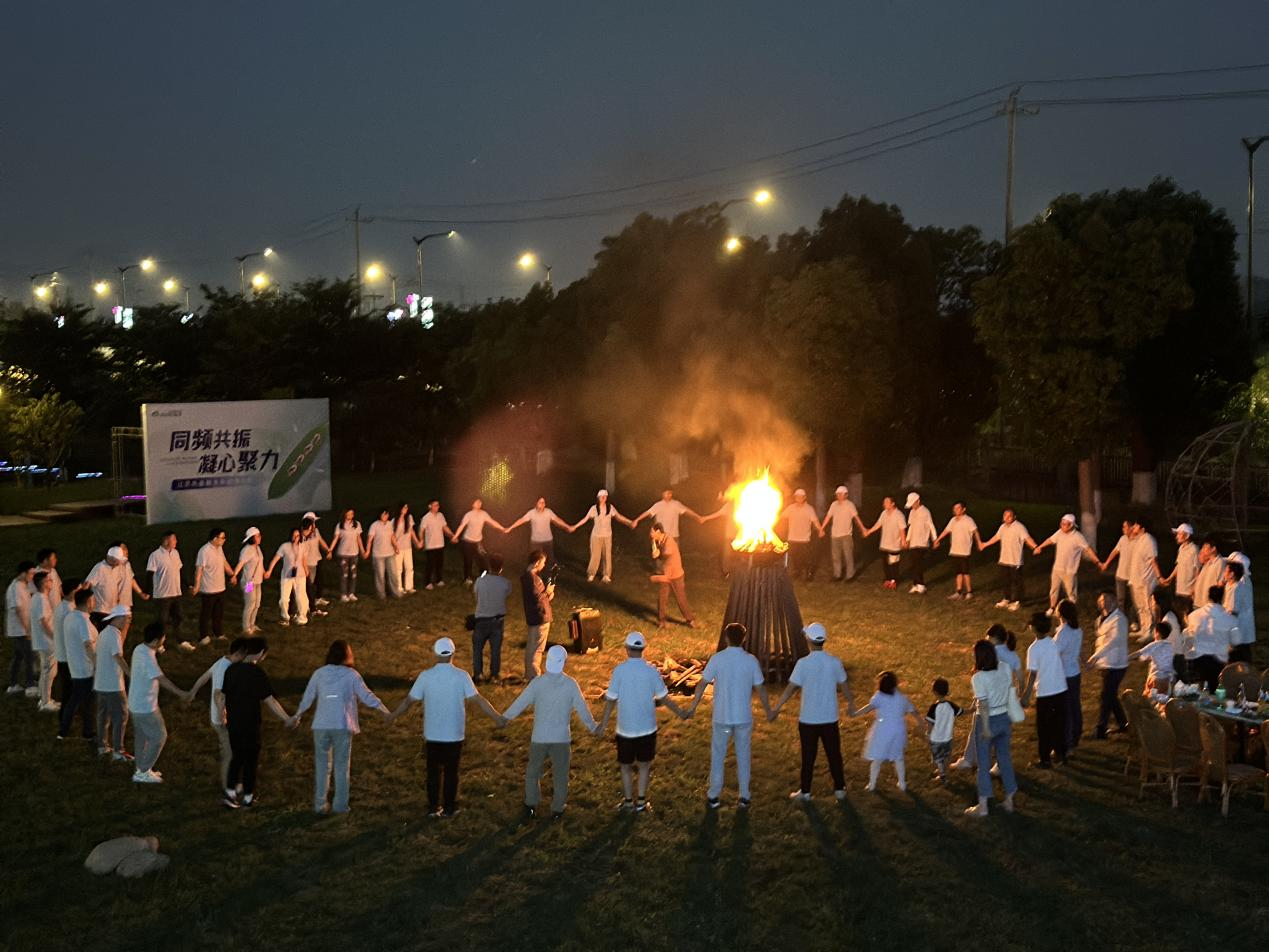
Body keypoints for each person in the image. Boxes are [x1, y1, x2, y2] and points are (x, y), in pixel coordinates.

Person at [388, 637, 504, 818]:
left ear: (435, 653)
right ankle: (450, 807)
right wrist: (497, 717)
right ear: (453, 653)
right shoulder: (462, 676)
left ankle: (433, 807)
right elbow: (478, 700)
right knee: (452, 772)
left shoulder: (425, 676)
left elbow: (409, 701)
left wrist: (393, 715)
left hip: (433, 734)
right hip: (454, 735)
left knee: (433, 772)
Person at [291, 639, 391, 815]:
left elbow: (308, 697)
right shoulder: (351, 675)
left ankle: (320, 804)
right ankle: (340, 806)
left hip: (321, 726)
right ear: (346, 656)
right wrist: (384, 710)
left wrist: (297, 715)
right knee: (342, 766)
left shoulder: (319, 673)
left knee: (322, 766)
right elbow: (366, 696)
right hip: (342, 725)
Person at [595, 631, 687, 813]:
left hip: (625, 729)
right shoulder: (651, 671)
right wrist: (680, 712)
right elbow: (664, 698)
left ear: (627, 649)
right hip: (647, 729)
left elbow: (611, 699)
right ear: (643, 649)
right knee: (644, 765)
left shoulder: (619, 671)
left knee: (626, 766)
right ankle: (642, 802)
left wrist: (603, 723)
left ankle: (629, 802)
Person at [503, 645, 597, 820]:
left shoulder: (538, 683)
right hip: (561, 739)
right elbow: (582, 709)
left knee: (533, 772)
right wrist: (593, 727)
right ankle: (558, 808)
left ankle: (531, 803)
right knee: (560, 775)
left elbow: (521, 702)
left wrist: (506, 717)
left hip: (539, 737)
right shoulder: (570, 684)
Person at [687, 622, 772, 809]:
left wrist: (693, 706)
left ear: (726, 638)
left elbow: (702, 684)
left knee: (718, 756)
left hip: (722, 716)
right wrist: (768, 710)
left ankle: (714, 796)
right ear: (744, 638)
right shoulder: (751, 661)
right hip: (743, 717)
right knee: (743, 755)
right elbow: (760, 688)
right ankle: (744, 796)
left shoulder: (717, 659)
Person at [771, 622, 853, 801]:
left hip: (808, 719)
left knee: (808, 756)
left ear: (808, 640)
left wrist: (777, 707)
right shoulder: (834, 662)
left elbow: (791, 688)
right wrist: (851, 705)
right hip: (829, 717)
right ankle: (839, 789)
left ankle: (806, 791)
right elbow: (844, 686)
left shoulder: (803, 664)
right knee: (834, 754)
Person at [219, 637, 291, 808]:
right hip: (250, 724)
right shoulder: (257, 674)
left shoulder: (231, 671)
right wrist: (287, 718)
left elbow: (223, 696)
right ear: (260, 653)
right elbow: (270, 700)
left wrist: (222, 715)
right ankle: (248, 797)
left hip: (234, 723)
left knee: (237, 757)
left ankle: (230, 792)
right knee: (251, 760)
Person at [128, 622, 189, 784]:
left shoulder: (139, 649)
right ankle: (142, 771)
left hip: (135, 703)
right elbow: (162, 679)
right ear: (157, 640)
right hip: (146, 706)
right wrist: (182, 693)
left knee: (142, 737)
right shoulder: (148, 657)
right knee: (159, 736)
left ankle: (141, 768)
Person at [186, 637, 248, 792]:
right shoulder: (225, 668)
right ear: (239, 654)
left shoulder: (221, 661)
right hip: (222, 720)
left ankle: (235, 783)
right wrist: (223, 716)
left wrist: (193, 691)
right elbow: (217, 694)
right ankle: (229, 786)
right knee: (229, 753)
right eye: (243, 656)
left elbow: (204, 676)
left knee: (234, 750)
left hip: (220, 718)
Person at [965, 639, 1018, 817]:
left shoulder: (978, 677)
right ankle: (1010, 800)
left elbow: (984, 704)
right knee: (1004, 760)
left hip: (988, 721)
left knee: (983, 764)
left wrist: (986, 728)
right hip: (1004, 718)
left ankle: (983, 806)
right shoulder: (1004, 667)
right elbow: (1011, 689)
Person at [853, 670, 923, 792]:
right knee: (898, 757)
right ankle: (902, 783)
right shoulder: (902, 698)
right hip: (898, 730)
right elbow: (914, 711)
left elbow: (868, 708)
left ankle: (872, 784)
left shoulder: (879, 697)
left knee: (877, 758)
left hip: (882, 730)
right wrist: (921, 723)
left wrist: (856, 713)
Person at [1019, 612, 1067, 769]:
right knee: (1058, 724)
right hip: (1060, 689)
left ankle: (1045, 758)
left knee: (1044, 728)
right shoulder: (1053, 643)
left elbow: (1033, 674)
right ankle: (1060, 754)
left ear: (1033, 628)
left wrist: (1026, 695)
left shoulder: (1034, 649)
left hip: (1045, 692)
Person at [1033, 514, 1099, 613]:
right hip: (1057, 568)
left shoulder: (1078, 537)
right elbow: (1050, 540)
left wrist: (1096, 561)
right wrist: (1040, 547)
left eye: (1065, 524)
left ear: (1071, 525)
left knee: (1071, 593)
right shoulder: (1059, 533)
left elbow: (1088, 549)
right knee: (1054, 589)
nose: (1062, 526)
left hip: (1069, 570)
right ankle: (1052, 607)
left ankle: (1070, 611)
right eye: (1062, 524)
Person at [1087, 592, 1130, 740]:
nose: (1103, 602)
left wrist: (1095, 657)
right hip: (1106, 663)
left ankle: (1101, 729)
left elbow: (1113, 642)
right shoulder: (1101, 619)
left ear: (1113, 602)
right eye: (1100, 600)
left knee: (1106, 696)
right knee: (1110, 695)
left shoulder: (1119, 620)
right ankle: (1123, 723)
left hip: (1116, 664)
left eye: (1106, 600)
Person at [58, 588, 98, 741]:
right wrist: (97, 665)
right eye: (93, 600)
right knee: (85, 702)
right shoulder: (82, 621)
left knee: (77, 700)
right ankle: (86, 732)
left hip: (75, 666)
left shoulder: (70, 617)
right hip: (85, 669)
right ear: (88, 602)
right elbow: (88, 644)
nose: (95, 603)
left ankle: (64, 731)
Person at [978, 507, 1036, 612]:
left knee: (1017, 581)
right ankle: (1006, 598)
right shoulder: (1002, 527)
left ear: (1014, 517)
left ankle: (1018, 601)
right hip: (1004, 559)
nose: (1007, 517)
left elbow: (1027, 538)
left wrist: (1035, 547)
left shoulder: (1019, 527)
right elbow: (996, 537)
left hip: (1015, 560)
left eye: (1009, 516)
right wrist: (985, 544)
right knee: (1005, 581)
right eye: (1005, 515)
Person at [94, 606, 133, 760]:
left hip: (100, 683)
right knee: (121, 715)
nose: (128, 622)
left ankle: (102, 746)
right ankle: (119, 750)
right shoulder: (114, 635)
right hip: (113, 685)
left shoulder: (104, 633)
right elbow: (118, 657)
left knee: (103, 716)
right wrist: (131, 675)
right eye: (127, 619)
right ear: (120, 618)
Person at [571, 489, 634, 583]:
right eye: (601, 497)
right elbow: (585, 519)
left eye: (605, 496)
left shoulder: (610, 507)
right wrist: (575, 526)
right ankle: (591, 574)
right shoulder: (594, 509)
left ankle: (606, 575)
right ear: (598, 498)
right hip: (596, 535)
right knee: (595, 556)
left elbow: (618, 516)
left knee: (607, 556)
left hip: (607, 535)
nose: (603, 498)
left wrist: (629, 522)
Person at [1183, 585, 1235, 691]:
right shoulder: (1230, 619)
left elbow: (1188, 637)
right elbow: (1234, 643)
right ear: (1222, 598)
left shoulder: (1194, 615)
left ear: (1208, 597)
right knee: (1214, 688)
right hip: (1218, 661)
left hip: (1198, 659)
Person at [472, 554, 513, 682]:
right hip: (497, 621)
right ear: (501, 568)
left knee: (477, 649)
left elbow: (476, 596)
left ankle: (478, 674)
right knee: (495, 650)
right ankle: (494, 675)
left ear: (489, 566)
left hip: (481, 620)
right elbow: (507, 594)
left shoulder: (480, 581)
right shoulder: (505, 583)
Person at [190, 528, 234, 646]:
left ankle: (218, 633)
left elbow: (224, 562)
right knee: (206, 614)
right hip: (209, 590)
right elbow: (199, 570)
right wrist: (197, 586)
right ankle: (204, 636)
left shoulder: (219, 548)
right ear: (215, 538)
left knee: (218, 613)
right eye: (222, 537)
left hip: (221, 588)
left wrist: (232, 574)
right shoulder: (204, 551)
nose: (224, 540)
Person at [650, 522, 697, 629]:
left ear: (658, 531)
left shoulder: (669, 540)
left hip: (676, 574)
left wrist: (658, 554)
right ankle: (662, 621)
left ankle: (690, 620)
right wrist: (653, 543)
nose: (650, 534)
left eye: (652, 532)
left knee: (681, 598)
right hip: (666, 574)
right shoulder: (657, 541)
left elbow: (668, 552)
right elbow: (655, 555)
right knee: (662, 598)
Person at [450, 499, 506, 587]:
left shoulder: (484, 514)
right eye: (477, 502)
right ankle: (467, 578)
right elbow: (462, 525)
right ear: (472, 504)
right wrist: (455, 536)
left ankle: (483, 577)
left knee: (482, 560)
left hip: (478, 542)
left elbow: (492, 522)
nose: (479, 503)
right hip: (467, 541)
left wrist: (502, 528)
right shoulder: (469, 514)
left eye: (480, 502)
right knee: (468, 561)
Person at [1053, 599, 1085, 750]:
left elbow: (1055, 653)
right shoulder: (1077, 630)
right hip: (1075, 672)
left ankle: (1068, 740)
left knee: (1065, 710)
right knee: (1074, 706)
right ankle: (1076, 734)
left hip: (1064, 675)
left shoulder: (1063, 633)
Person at [504, 497, 573, 566]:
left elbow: (558, 520)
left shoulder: (548, 512)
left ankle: (548, 575)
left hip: (548, 541)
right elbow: (521, 520)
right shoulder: (531, 513)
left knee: (549, 560)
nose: (542, 504)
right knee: (534, 561)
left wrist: (567, 527)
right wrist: (510, 528)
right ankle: (534, 575)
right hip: (535, 542)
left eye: (544, 503)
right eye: (540, 502)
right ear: (536, 503)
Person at [819, 485, 867, 582]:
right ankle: (837, 574)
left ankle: (850, 575)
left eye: (841, 494)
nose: (839, 496)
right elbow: (828, 516)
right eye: (838, 494)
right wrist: (821, 528)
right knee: (836, 556)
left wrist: (863, 529)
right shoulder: (834, 505)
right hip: (835, 534)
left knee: (848, 556)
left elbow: (856, 518)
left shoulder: (850, 505)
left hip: (846, 534)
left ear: (846, 495)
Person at [936, 501, 981, 600]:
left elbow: (975, 532)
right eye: (954, 508)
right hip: (955, 550)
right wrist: (938, 539)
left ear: (963, 509)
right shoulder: (953, 520)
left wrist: (979, 543)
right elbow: (946, 531)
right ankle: (959, 592)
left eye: (958, 508)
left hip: (964, 551)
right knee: (958, 572)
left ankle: (969, 592)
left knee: (965, 572)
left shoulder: (968, 520)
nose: (955, 510)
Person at [520, 549, 555, 679]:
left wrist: (547, 595)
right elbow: (537, 598)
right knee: (537, 648)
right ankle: (534, 676)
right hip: (539, 617)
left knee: (532, 646)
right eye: (543, 562)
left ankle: (529, 674)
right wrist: (547, 592)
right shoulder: (531, 578)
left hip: (535, 616)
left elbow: (538, 597)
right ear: (537, 562)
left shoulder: (527, 577)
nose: (544, 565)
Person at [145, 532, 184, 646]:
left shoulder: (175, 553)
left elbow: (180, 570)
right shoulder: (155, 555)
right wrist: (148, 591)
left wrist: (187, 584)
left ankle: (179, 639)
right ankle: (159, 642)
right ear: (167, 541)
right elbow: (150, 574)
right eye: (174, 539)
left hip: (176, 592)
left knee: (178, 617)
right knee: (161, 620)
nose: (176, 542)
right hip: (162, 595)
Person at [265, 528, 309, 627]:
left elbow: (304, 560)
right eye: (294, 535)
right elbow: (275, 559)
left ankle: (302, 617)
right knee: (284, 599)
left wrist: (306, 570)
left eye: (298, 536)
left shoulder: (302, 547)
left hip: (299, 575)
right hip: (286, 576)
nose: (296, 538)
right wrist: (269, 570)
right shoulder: (285, 546)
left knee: (301, 597)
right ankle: (285, 617)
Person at [1099, 521, 1138, 627]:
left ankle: (1133, 621)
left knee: (1134, 600)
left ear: (1132, 527)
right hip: (1120, 575)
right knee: (1120, 600)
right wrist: (1106, 563)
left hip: (1132, 576)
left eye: (1125, 526)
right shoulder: (1122, 539)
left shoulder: (1138, 541)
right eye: (1123, 526)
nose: (1123, 528)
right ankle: (1121, 621)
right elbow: (1115, 551)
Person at [5, 561, 36, 695]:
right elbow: (18, 610)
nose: (32, 576)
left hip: (23, 629)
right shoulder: (15, 588)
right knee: (28, 656)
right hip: (20, 630)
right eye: (31, 573)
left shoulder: (23, 586)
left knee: (19, 656)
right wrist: (27, 629)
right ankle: (29, 685)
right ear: (23, 573)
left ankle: (13, 684)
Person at [29, 570, 58, 711]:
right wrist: (54, 637)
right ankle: (45, 702)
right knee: (49, 672)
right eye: (49, 580)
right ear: (43, 583)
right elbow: (43, 621)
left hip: (42, 641)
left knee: (46, 670)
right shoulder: (41, 599)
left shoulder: (37, 597)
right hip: (47, 642)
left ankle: (44, 698)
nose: (51, 582)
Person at [51, 576, 80, 710]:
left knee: (68, 685)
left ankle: (68, 710)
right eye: (79, 589)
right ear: (73, 592)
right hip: (67, 654)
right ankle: (67, 712)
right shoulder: (68, 610)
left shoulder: (62, 607)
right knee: (69, 686)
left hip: (63, 653)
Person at [1127, 519, 1162, 635]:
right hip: (1136, 579)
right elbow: (1129, 536)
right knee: (1140, 606)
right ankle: (1143, 629)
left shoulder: (1149, 540)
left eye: (1136, 525)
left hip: (1146, 580)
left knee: (1147, 606)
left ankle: (1150, 631)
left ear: (1142, 528)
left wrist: (1159, 576)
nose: (1134, 527)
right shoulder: (1139, 539)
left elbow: (1153, 560)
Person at [925, 678, 962, 781]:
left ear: (934, 691)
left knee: (937, 758)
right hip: (948, 737)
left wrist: (928, 734)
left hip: (936, 738)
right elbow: (962, 712)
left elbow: (930, 723)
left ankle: (942, 775)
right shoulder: (951, 705)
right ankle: (944, 771)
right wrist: (973, 709)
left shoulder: (934, 707)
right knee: (947, 756)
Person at [865, 496, 906, 590]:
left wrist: (903, 540)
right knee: (885, 563)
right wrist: (869, 531)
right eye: (884, 502)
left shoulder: (899, 515)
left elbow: (902, 528)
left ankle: (894, 580)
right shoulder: (884, 513)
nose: (884, 504)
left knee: (893, 563)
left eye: (887, 502)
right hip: (884, 543)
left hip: (894, 544)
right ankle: (888, 579)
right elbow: (878, 524)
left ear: (893, 504)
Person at [779, 489, 820, 582]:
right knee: (794, 557)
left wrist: (820, 529)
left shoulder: (809, 509)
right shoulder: (791, 508)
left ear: (804, 498)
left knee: (805, 558)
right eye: (797, 497)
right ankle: (797, 572)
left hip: (804, 538)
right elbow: (782, 516)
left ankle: (808, 574)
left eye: (800, 497)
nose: (798, 498)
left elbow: (815, 521)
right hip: (793, 538)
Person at [1161, 523, 1200, 619]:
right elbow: (1178, 566)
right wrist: (1169, 578)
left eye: (1179, 534)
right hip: (1180, 588)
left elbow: (1198, 570)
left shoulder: (1194, 549)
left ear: (1186, 536)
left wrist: (1195, 589)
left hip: (1189, 590)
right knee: (1179, 614)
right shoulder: (1181, 548)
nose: (1177, 537)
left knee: (1188, 616)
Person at [632, 488, 701, 542]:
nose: (669, 495)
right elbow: (647, 513)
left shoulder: (676, 504)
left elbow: (687, 511)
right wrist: (637, 520)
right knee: (660, 556)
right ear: (662, 494)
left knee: (674, 556)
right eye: (667, 493)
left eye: (670, 493)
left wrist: (697, 517)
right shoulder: (658, 505)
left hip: (673, 536)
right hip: (660, 536)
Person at [1222, 556, 1256, 663]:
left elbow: (1233, 611)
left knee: (1239, 658)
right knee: (1242, 656)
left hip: (1239, 628)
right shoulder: (1236, 583)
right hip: (1240, 628)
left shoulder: (1240, 585)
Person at [902, 492, 937, 594]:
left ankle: (921, 584)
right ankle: (916, 584)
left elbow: (931, 526)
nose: (912, 506)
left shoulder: (926, 512)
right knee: (914, 563)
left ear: (918, 501)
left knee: (918, 563)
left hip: (922, 542)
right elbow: (911, 527)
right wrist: (908, 539)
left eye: (913, 503)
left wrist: (935, 539)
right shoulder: (912, 512)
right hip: (913, 542)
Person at [232, 527, 265, 636]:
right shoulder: (247, 550)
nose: (260, 537)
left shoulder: (257, 548)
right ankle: (246, 627)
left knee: (257, 604)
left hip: (258, 581)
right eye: (258, 536)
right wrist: (234, 575)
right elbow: (241, 564)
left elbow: (260, 562)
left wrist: (264, 572)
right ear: (252, 538)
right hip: (249, 582)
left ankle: (252, 624)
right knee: (250, 603)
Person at [1129, 622, 1176, 696]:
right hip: (1169, 679)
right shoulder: (1170, 646)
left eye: (1154, 632)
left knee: (1149, 699)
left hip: (1157, 679)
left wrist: (1125, 658)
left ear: (1158, 633)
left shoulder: (1154, 645)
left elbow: (1138, 653)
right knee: (1162, 701)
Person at [84, 546, 128, 625]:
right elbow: (88, 584)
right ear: (110, 558)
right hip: (99, 610)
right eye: (117, 560)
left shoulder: (117, 569)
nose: (119, 563)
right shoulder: (100, 567)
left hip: (111, 610)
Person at [329, 509, 366, 601]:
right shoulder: (340, 525)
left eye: (352, 513)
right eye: (348, 513)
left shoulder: (356, 524)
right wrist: (330, 550)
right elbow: (336, 538)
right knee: (344, 574)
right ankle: (343, 594)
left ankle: (351, 593)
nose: (350, 515)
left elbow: (359, 538)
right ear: (345, 514)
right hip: (343, 553)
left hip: (354, 553)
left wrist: (362, 551)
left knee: (353, 574)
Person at [365, 508, 400, 599]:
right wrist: (368, 551)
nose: (386, 516)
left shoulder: (389, 524)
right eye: (384, 514)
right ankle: (381, 594)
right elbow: (370, 539)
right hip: (378, 554)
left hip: (390, 553)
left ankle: (395, 592)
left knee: (393, 574)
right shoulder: (374, 525)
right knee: (380, 575)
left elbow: (392, 536)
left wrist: (396, 546)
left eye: (387, 514)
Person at [300, 515, 331, 615]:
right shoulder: (249, 551)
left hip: (254, 580)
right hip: (251, 581)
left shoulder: (256, 550)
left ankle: (310, 608)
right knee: (251, 600)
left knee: (254, 602)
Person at [416, 500, 448, 590]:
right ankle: (427, 582)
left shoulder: (440, 516)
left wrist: (452, 535)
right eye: (435, 505)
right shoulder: (426, 518)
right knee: (430, 565)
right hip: (431, 545)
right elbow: (421, 530)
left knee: (439, 564)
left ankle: (439, 580)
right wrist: (421, 540)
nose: (437, 507)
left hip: (440, 544)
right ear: (430, 506)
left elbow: (445, 527)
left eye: (438, 505)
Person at [390, 502, 417, 595]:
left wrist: (416, 541)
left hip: (408, 546)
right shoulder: (394, 521)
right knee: (398, 568)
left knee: (409, 567)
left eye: (407, 507)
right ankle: (399, 587)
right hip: (398, 547)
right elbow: (391, 535)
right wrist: (395, 546)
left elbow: (411, 531)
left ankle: (409, 586)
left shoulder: (409, 518)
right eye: (404, 507)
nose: (406, 509)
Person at [1193, 538, 1226, 611]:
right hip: (1198, 602)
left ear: (1213, 549)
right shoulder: (1208, 563)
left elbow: (1220, 584)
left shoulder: (1220, 563)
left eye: (1205, 547)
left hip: (1208, 604)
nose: (1203, 550)